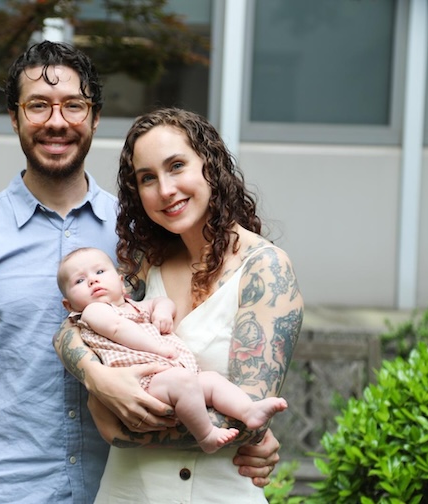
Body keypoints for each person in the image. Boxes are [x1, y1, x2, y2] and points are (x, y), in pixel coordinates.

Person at [0, 40, 280, 504]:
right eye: (38, 106)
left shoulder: (145, 230)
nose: (57, 121)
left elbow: (201, 324)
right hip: (8, 491)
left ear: (93, 117)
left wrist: (247, 428)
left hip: (121, 490)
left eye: (73, 105)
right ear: (14, 117)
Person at [54, 108, 304, 503]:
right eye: (147, 178)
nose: (165, 189)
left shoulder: (264, 270)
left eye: (176, 166)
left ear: (210, 165)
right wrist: (95, 378)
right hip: (126, 493)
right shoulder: (145, 261)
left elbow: (249, 419)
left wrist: (115, 423)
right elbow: (73, 326)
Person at [57, 246, 288, 454]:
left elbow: (161, 302)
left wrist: (163, 312)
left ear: (120, 281)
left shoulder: (134, 306)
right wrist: (157, 346)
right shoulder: (93, 312)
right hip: (143, 383)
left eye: (99, 272)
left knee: (211, 381)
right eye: (79, 281)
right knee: (184, 382)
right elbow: (118, 329)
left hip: (175, 376)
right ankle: (206, 434)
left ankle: (247, 411)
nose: (92, 281)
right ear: (68, 304)